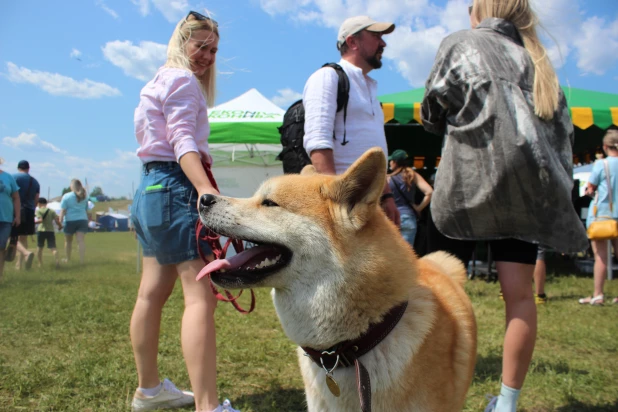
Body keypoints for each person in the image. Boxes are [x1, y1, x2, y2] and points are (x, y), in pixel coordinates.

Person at [421, 1, 589, 411]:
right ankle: (507, 403)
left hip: (466, 192)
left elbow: (430, 112)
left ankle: (418, 385)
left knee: (425, 286)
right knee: (521, 297)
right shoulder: (539, 64)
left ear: (480, 10)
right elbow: (562, 139)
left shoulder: (460, 43)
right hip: (525, 200)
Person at [130, 10, 238, 412]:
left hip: (149, 189)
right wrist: (206, 191)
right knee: (201, 298)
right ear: (182, 42)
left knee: (151, 294)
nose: (208, 56)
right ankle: (208, 407)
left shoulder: (154, 83)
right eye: (201, 46)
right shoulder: (182, 80)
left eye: (213, 49)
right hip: (175, 187)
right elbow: (181, 140)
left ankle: (149, 390)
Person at [302, 15, 400, 226]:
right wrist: (336, 203)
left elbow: (376, 149)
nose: (383, 43)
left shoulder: (370, 88)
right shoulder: (327, 76)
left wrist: (387, 196)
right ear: (352, 42)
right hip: (345, 205)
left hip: (367, 203)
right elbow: (318, 143)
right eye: (376, 36)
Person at [580, 129, 618, 306]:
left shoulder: (601, 165)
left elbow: (590, 187)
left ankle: (598, 294)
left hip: (602, 215)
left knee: (601, 257)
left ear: (604, 146)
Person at [387, 149, 433, 247]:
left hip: (391, 218)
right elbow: (429, 192)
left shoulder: (388, 178)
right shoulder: (412, 175)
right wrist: (418, 208)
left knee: (390, 256)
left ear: (395, 162)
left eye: (391, 160)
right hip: (408, 218)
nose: (389, 162)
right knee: (406, 257)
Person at [12, 160, 39, 270]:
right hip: (29, 211)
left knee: (11, 236)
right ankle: (19, 265)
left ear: (18, 167)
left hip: (16, 210)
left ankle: (26, 253)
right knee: (23, 238)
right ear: (28, 168)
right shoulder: (35, 182)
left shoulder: (13, 177)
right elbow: (36, 199)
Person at [59, 179, 89, 264]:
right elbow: (86, 209)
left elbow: (63, 210)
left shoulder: (66, 196)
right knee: (81, 241)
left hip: (70, 220)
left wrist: (60, 220)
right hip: (83, 219)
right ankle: (82, 260)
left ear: (72, 186)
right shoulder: (84, 196)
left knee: (68, 241)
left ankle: (68, 259)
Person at [0, 158, 20, 282]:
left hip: (6, 218)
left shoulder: (8, 177)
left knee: (1, 247)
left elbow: (16, 197)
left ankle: (0, 276)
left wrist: (17, 216)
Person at [34, 197, 62, 268]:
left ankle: (40, 263)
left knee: (40, 247)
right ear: (46, 203)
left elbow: (40, 220)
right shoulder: (52, 211)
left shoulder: (39, 211)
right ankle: (57, 261)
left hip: (41, 230)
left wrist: (33, 222)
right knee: (53, 247)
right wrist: (60, 226)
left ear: (39, 203)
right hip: (50, 231)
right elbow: (57, 220)